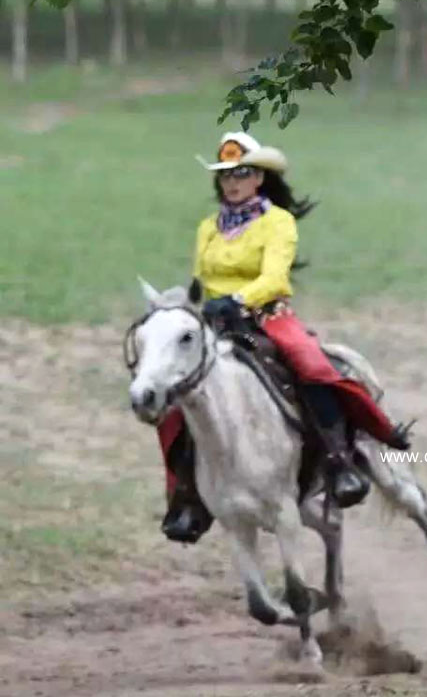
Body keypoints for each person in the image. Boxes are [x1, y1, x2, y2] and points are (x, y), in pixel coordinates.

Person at [158, 132, 413, 543]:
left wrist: (239, 300)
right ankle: (186, 494)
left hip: (266, 317)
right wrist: (187, 307)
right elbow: (201, 279)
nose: (232, 182)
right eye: (225, 176)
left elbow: (275, 277)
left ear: (259, 178)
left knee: (311, 364)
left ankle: (339, 462)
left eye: (241, 174)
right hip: (215, 326)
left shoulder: (278, 222)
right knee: (173, 394)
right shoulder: (208, 228)